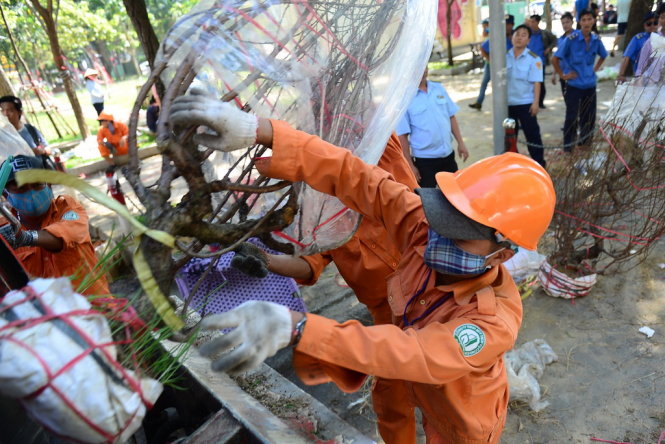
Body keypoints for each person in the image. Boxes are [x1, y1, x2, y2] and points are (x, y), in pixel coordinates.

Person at [169, 90, 556, 444]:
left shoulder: (491, 321)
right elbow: (357, 177)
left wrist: (299, 327)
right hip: (393, 336)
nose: (438, 234)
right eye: (445, 216)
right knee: (390, 405)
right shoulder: (424, 227)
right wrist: (262, 131)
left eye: (459, 232)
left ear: (502, 254)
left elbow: (414, 353)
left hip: (460, 414)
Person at [232, 134, 419, 442]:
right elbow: (311, 263)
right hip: (388, 317)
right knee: (392, 400)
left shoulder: (379, 159)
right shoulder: (322, 214)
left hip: (432, 297)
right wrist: (267, 260)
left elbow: (360, 148)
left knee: (447, 390)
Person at [0, 155, 109, 296]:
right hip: (47, 316)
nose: (31, 192)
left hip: (96, 310)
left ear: (49, 185)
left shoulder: (68, 208)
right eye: (21, 188)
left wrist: (26, 238)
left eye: (36, 183)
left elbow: (62, 237)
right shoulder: (3, 229)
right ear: (5, 194)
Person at [396, 68, 468, 187]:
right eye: (419, 66)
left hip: (448, 156)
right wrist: (410, 165)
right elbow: (402, 135)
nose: (423, 70)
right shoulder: (405, 98)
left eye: (425, 66)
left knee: (456, 193)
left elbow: (451, 117)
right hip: (425, 161)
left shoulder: (438, 88)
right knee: (430, 200)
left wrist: (461, 143)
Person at [552, 9, 607, 152]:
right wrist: (562, 75)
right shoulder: (571, 39)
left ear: (594, 21)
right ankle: (568, 148)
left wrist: (594, 69)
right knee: (572, 116)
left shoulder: (596, 39)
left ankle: (585, 144)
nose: (587, 23)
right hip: (574, 85)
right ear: (579, 22)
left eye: (589, 19)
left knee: (589, 117)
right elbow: (555, 58)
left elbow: (603, 55)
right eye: (583, 20)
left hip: (590, 85)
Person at [507, 25, 546, 168]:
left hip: (526, 103)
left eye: (523, 35)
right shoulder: (504, 57)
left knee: (533, 136)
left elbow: (537, 83)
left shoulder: (534, 59)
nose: (519, 37)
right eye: (516, 34)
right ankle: (513, 166)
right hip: (508, 104)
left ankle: (539, 165)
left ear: (528, 40)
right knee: (509, 138)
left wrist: (536, 103)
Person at [469, 14, 515, 111]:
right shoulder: (497, 35)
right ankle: (479, 102)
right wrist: (490, 60)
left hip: (509, 66)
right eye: (504, 24)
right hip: (491, 66)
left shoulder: (515, 36)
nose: (506, 26)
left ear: (512, 24)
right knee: (485, 83)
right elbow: (483, 48)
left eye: (508, 24)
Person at [0, 95, 54, 169]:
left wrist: (41, 151)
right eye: (2, 110)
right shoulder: (2, 135)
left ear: (19, 112)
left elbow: (48, 149)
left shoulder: (30, 129)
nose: (6, 114)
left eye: (10, 110)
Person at [617, 12, 659, 82]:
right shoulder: (638, 39)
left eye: (655, 23)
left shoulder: (661, 38)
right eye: (649, 24)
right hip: (641, 77)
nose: (652, 26)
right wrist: (621, 75)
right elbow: (626, 57)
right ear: (644, 25)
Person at [526, 15, 557, 108]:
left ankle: (540, 102)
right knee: (529, 82)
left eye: (533, 22)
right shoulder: (527, 33)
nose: (531, 23)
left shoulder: (544, 33)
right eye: (530, 21)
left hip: (540, 62)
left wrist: (548, 48)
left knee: (540, 82)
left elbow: (555, 40)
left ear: (538, 22)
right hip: (528, 62)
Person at [635, 3, 665, 79]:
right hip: (656, 85)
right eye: (663, 17)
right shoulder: (653, 41)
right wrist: (639, 79)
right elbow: (640, 68)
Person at [551, 12, 576, 95]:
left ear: (572, 22)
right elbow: (557, 58)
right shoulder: (561, 39)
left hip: (577, 74)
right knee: (568, 100)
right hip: (564, 75)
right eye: (563, 23)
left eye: (567, 22)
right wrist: (555, 74)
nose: (565, 25)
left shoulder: (579, 36)